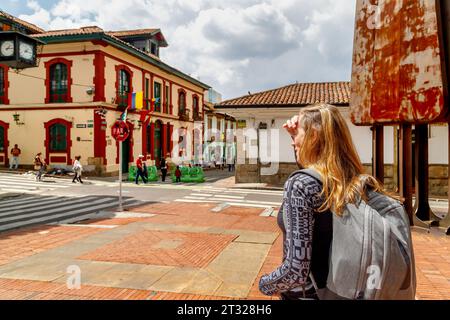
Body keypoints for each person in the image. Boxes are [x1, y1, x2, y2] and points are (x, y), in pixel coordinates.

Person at [258, 104, 386, 300]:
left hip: (307, 295)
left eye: (298, 135)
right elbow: (312, 169)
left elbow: (296, 270)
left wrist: (266, 284)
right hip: (342, 290)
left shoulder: (300, 185)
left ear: (314, 136)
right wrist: (297, 136)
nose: (294, 143)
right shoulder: (350, 179)